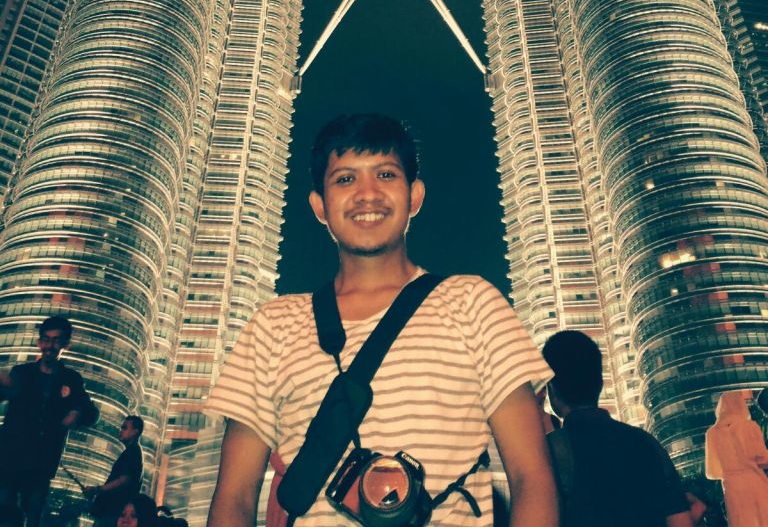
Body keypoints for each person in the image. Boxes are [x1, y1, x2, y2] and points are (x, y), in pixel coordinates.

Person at [206, 113, 558, 527]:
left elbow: (532, 477)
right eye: (345, 179)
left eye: (386, 174)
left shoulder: (474, 304)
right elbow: (233, 497)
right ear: (319, 205)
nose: (367, 194)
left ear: (415, 196)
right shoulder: (272, 325)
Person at [541, 329, 693, 527]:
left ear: (551, 389)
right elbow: (680, 521)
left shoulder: (550, 452)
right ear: (600, 383)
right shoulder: (646, 443)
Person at [0, 316, 98, 527]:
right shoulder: (22, 373)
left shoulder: (71, 379)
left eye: (56, 340)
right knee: (4, 514)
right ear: (39, 342)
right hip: (9, 460)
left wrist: (77, 413)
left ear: (65, 344)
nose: (49, 346)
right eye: (46, 339)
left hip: (41, 465)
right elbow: (5, 392)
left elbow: (91, 413)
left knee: (33, 517)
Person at [705, 390, 768, 527]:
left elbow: (712, 472)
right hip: (755, 480)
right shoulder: (749, 426)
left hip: (731, 487)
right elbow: (763, 459)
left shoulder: (712, 433)